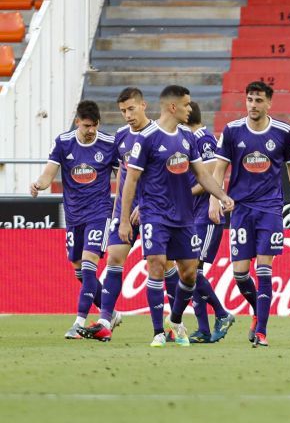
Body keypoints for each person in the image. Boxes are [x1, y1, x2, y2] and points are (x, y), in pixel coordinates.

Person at [118, 86, 234, 348]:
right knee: (157, 264)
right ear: (173, 107)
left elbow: (203, 174)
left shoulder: (187, 138)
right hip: (155, 214)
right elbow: (130, 181)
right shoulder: (146, 138)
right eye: (186, 104)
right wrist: (124, 220)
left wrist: (222, 195)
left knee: (190, 274)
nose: (189, 109)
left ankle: (176, 319)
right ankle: (158, 331)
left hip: (184, 217)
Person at [210, 81, 290, 348]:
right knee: (240, 273)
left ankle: (261, 330)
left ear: (269, 103)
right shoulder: (232, 131)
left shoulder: (283, 132)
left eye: (259, 100)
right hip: (240, 209)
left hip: (270, 209)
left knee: (264, 268)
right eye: (250, 99)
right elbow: (219, 168)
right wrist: (214, 199)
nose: (253, 104)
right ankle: (258, 310)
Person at [30, 100, 116, 339]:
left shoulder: (109, 143)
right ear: (77, 121)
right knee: (79, 269)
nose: (91, 131)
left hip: (99, 213)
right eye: (87, 125)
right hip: (74, 215)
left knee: (89, 265)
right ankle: (110, 312)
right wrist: (39, 185)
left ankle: (79, 323)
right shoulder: (63, 142)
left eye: (94, 126)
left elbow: (125, 176)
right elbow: (49, 173)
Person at [82, 87, 152, 342]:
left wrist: (145, 206)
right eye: (123, 111)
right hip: (125, 213)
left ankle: (175, 321)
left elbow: (165, 178)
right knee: (114, 259)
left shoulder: (157, 135)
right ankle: (105, 320)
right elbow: (122, 172)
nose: (127, 115)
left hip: (154, 211)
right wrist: (118, 211)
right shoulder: (121, 137)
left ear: (144, 105)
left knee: (165, 267)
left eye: (131, 109)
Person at [185, 101, 235, 343]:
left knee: (193, 271)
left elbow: (214, 170)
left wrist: (186, 194)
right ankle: (204, 329)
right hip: (193, 217)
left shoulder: (203, 139)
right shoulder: (189, 139)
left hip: (207, 216)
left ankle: (222, 314)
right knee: (192, 274)